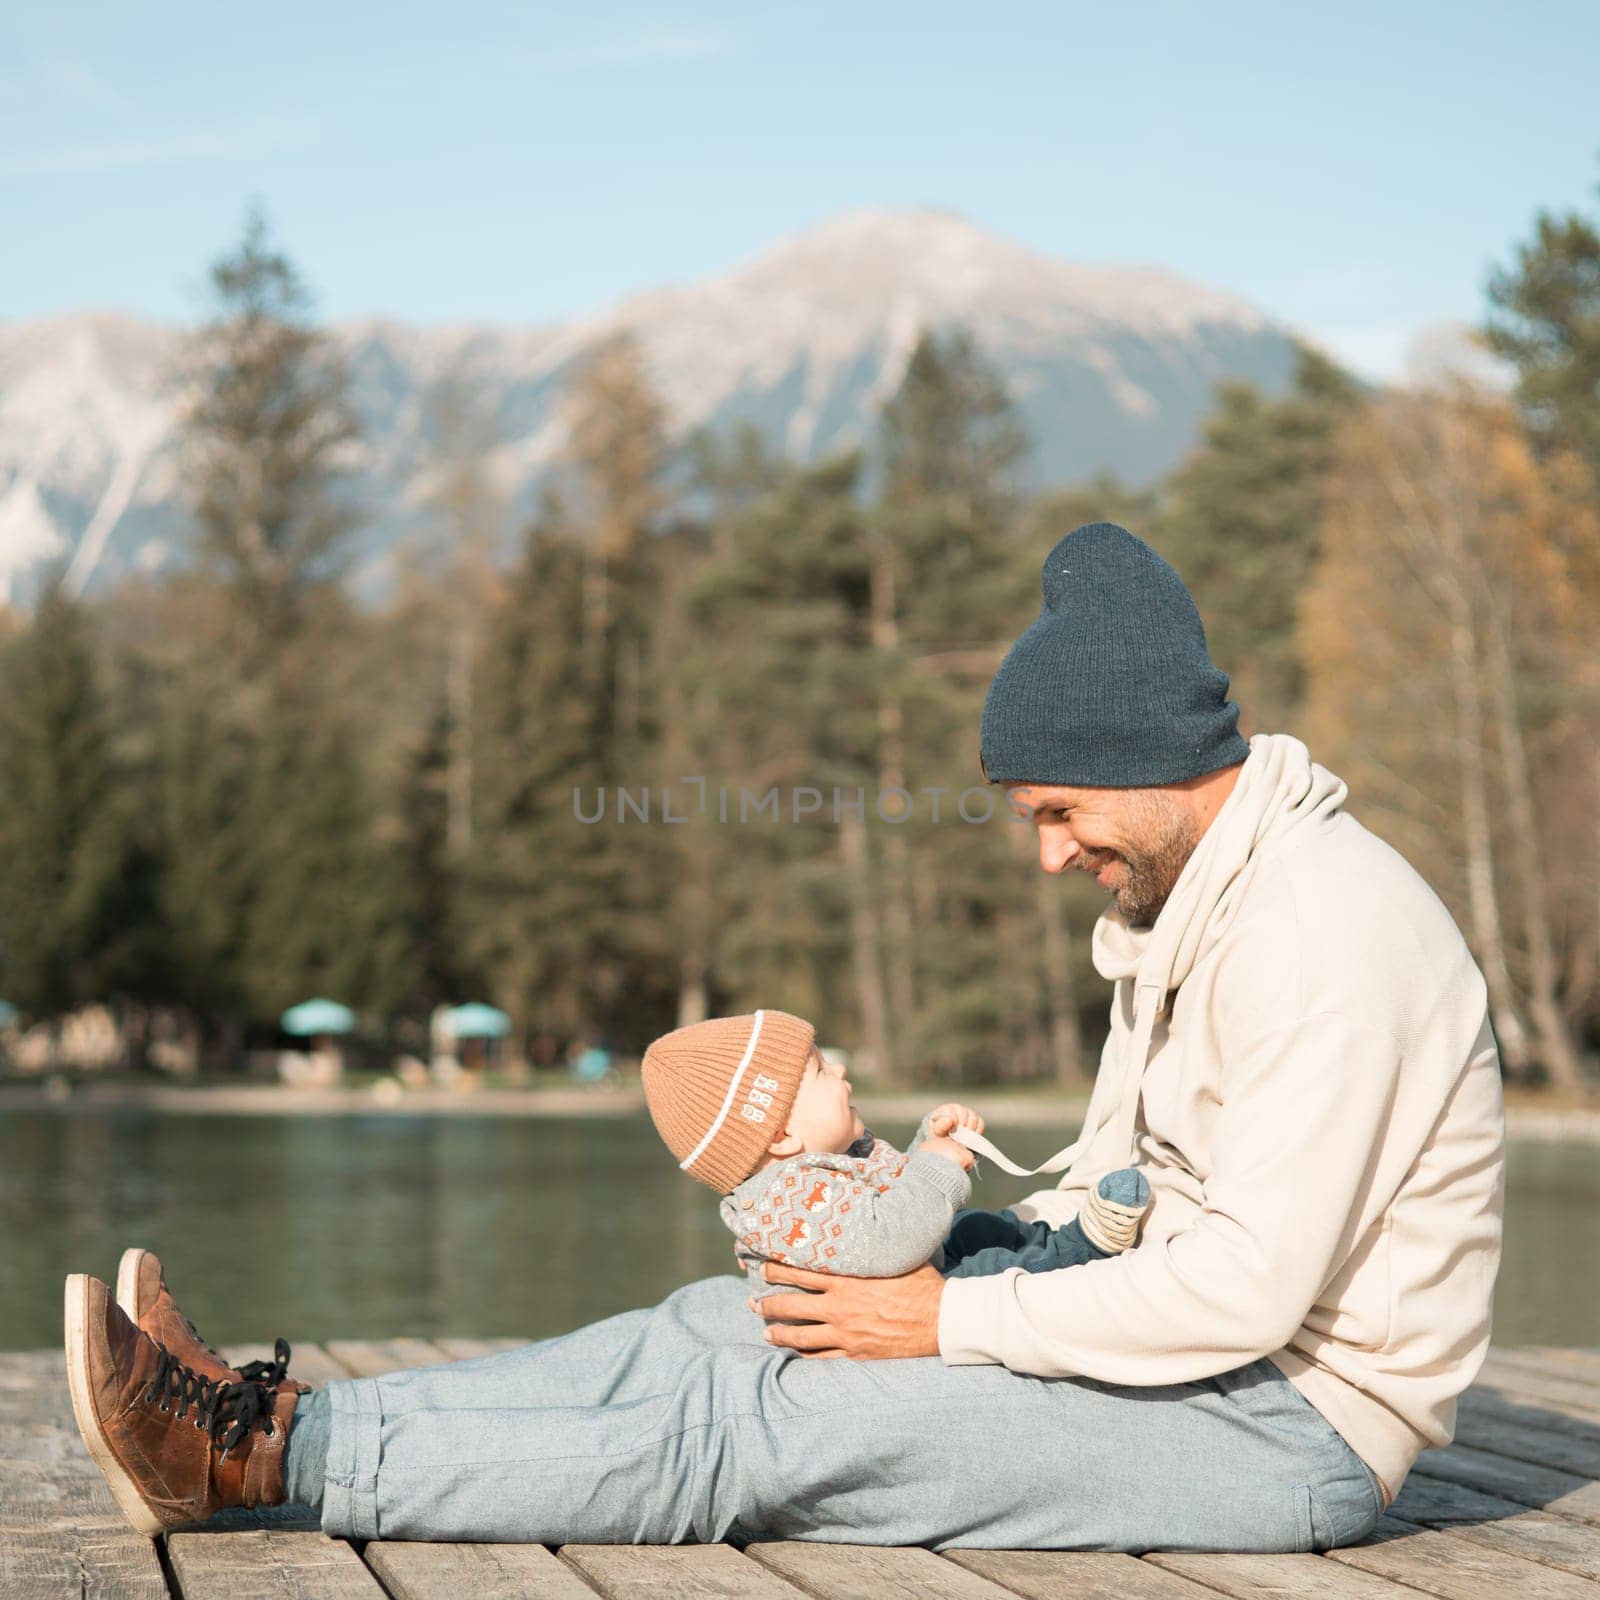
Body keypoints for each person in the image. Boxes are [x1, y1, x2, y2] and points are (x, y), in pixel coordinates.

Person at [64, 521, 1504, 1552]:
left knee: (770, 1424)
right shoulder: (1195, 903)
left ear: (1149, 764)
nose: (1049, 858)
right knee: (729, 1322)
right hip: (1187, 1358)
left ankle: (248, 1468)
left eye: (1059, 815)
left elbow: (1250, 1293)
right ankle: (283, 1413)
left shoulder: (1323, 935)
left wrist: (939, 1317)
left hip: (1283, 1427)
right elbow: (1129, 1196)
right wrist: (958, 1252)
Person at [638, 1010, 1151, 1291]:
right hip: (890, 1294)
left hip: (905, 1264)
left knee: (976, 1227)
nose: (839, 1072)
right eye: (819, 1072)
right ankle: (1081, 1250)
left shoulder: (817, 1164)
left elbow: (885, 1196)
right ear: (779, 1137)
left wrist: (930, 1142)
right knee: (981, 1271)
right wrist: (934, 1167)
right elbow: (890, 1241)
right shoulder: (785, 1203)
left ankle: (1046, 1237)